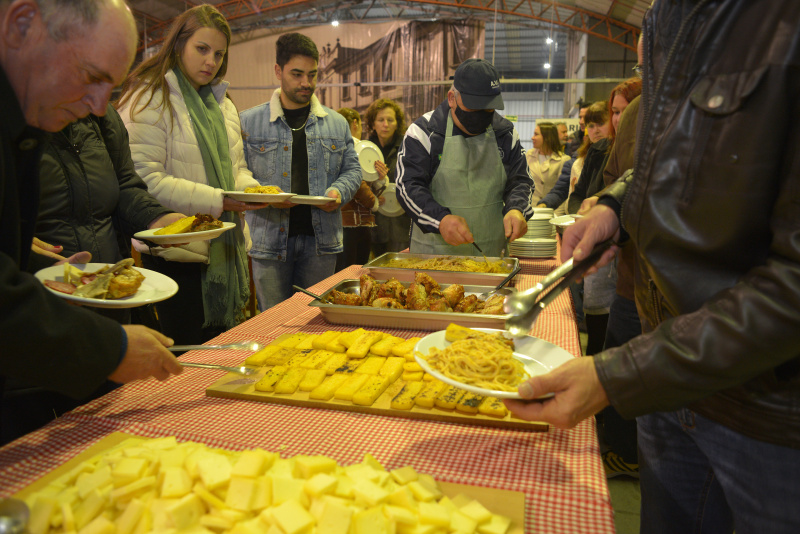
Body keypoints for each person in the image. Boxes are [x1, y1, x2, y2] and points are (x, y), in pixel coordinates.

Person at [506, 2, 800, 532]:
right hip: (669, 376)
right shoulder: (671, 14)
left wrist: (624, 373)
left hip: (769, 415)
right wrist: (616, 206)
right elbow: (672, 155)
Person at [0, 0, 182, 441]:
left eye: (113, 89)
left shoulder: (31, 114)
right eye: (92, 77)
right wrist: (109, 349)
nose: (101, 108)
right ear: (22, 25)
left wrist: (24, 260)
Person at [116, 4, 266, 345]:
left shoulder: (222, 105)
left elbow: (236, 170)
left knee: (221, 348)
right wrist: (218, 200)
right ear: (179, 44)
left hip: (224, 250)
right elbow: (144, 181)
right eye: (202, 49)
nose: (210, 61)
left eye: (218, 53)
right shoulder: (150, 98)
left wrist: (253, 191)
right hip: (175, 255)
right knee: (184, 353)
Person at [240, 33, 360, 310]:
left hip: (320, 243)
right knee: (271, 322)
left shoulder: (337, 123)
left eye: (312, 74)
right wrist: (258, 193)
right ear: (278, 71)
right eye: (297, 74)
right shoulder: (248, 122)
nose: (306, 83)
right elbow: (238, 171)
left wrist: (338, 191)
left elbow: (352, 169)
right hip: (269, 243)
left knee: (313, 320)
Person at [396, 58, 532, 257]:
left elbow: (520, 180)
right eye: (474, 108)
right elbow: (407, 186)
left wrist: (517, 208)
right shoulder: (424, 133)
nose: (482, 115)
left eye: (488, 109)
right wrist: (439, 219)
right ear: (452, 98)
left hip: (490, 255)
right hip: (433, 256)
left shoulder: (505, 134)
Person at [335, 107, 380, 271]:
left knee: (345, 273)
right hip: (354, 222)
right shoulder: (355, 146)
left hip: (346, 222)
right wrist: (374, 202)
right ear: (355, 124)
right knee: (353, 274)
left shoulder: (336, 146)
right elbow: (355, 181)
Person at [367, 98, 411, 256]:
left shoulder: (408, 147)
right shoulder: (365, 150)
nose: (385, 124)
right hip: (373, 225)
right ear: (373, 124)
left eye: (390, 120)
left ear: (397, 123)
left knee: (398, 269)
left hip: (400, 223)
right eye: (380, 120)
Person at [527, 121, 572, 210]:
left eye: (536, 134)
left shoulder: (563, 160)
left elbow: (562, 192)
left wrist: (556, 218)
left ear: (547, 137)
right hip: (530, 211)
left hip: (551, 211)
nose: (532, 138)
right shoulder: (528, 155)